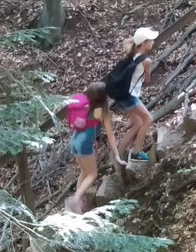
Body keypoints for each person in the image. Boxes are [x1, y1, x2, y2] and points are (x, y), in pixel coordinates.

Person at [65, 82, 126, 214]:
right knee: (92, 174)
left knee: (84, 171)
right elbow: (110, 134)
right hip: (84, 142)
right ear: (103, 97)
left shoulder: (84, 104)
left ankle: (78, 205)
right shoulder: (102, 111)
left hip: (74, 140)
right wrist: (116, 154)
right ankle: (75, 200)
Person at [114, 27, 158, 163]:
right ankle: (136, 153)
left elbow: (126, 41)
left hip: (121, 93)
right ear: (143, 43)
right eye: (150, 40)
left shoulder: (131, 51)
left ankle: (118, 155)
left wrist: (139, 37)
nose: (153, 43)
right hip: (130, 96)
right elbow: (147, 80)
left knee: (138, 123)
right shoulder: (146, 61)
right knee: (148, 119)